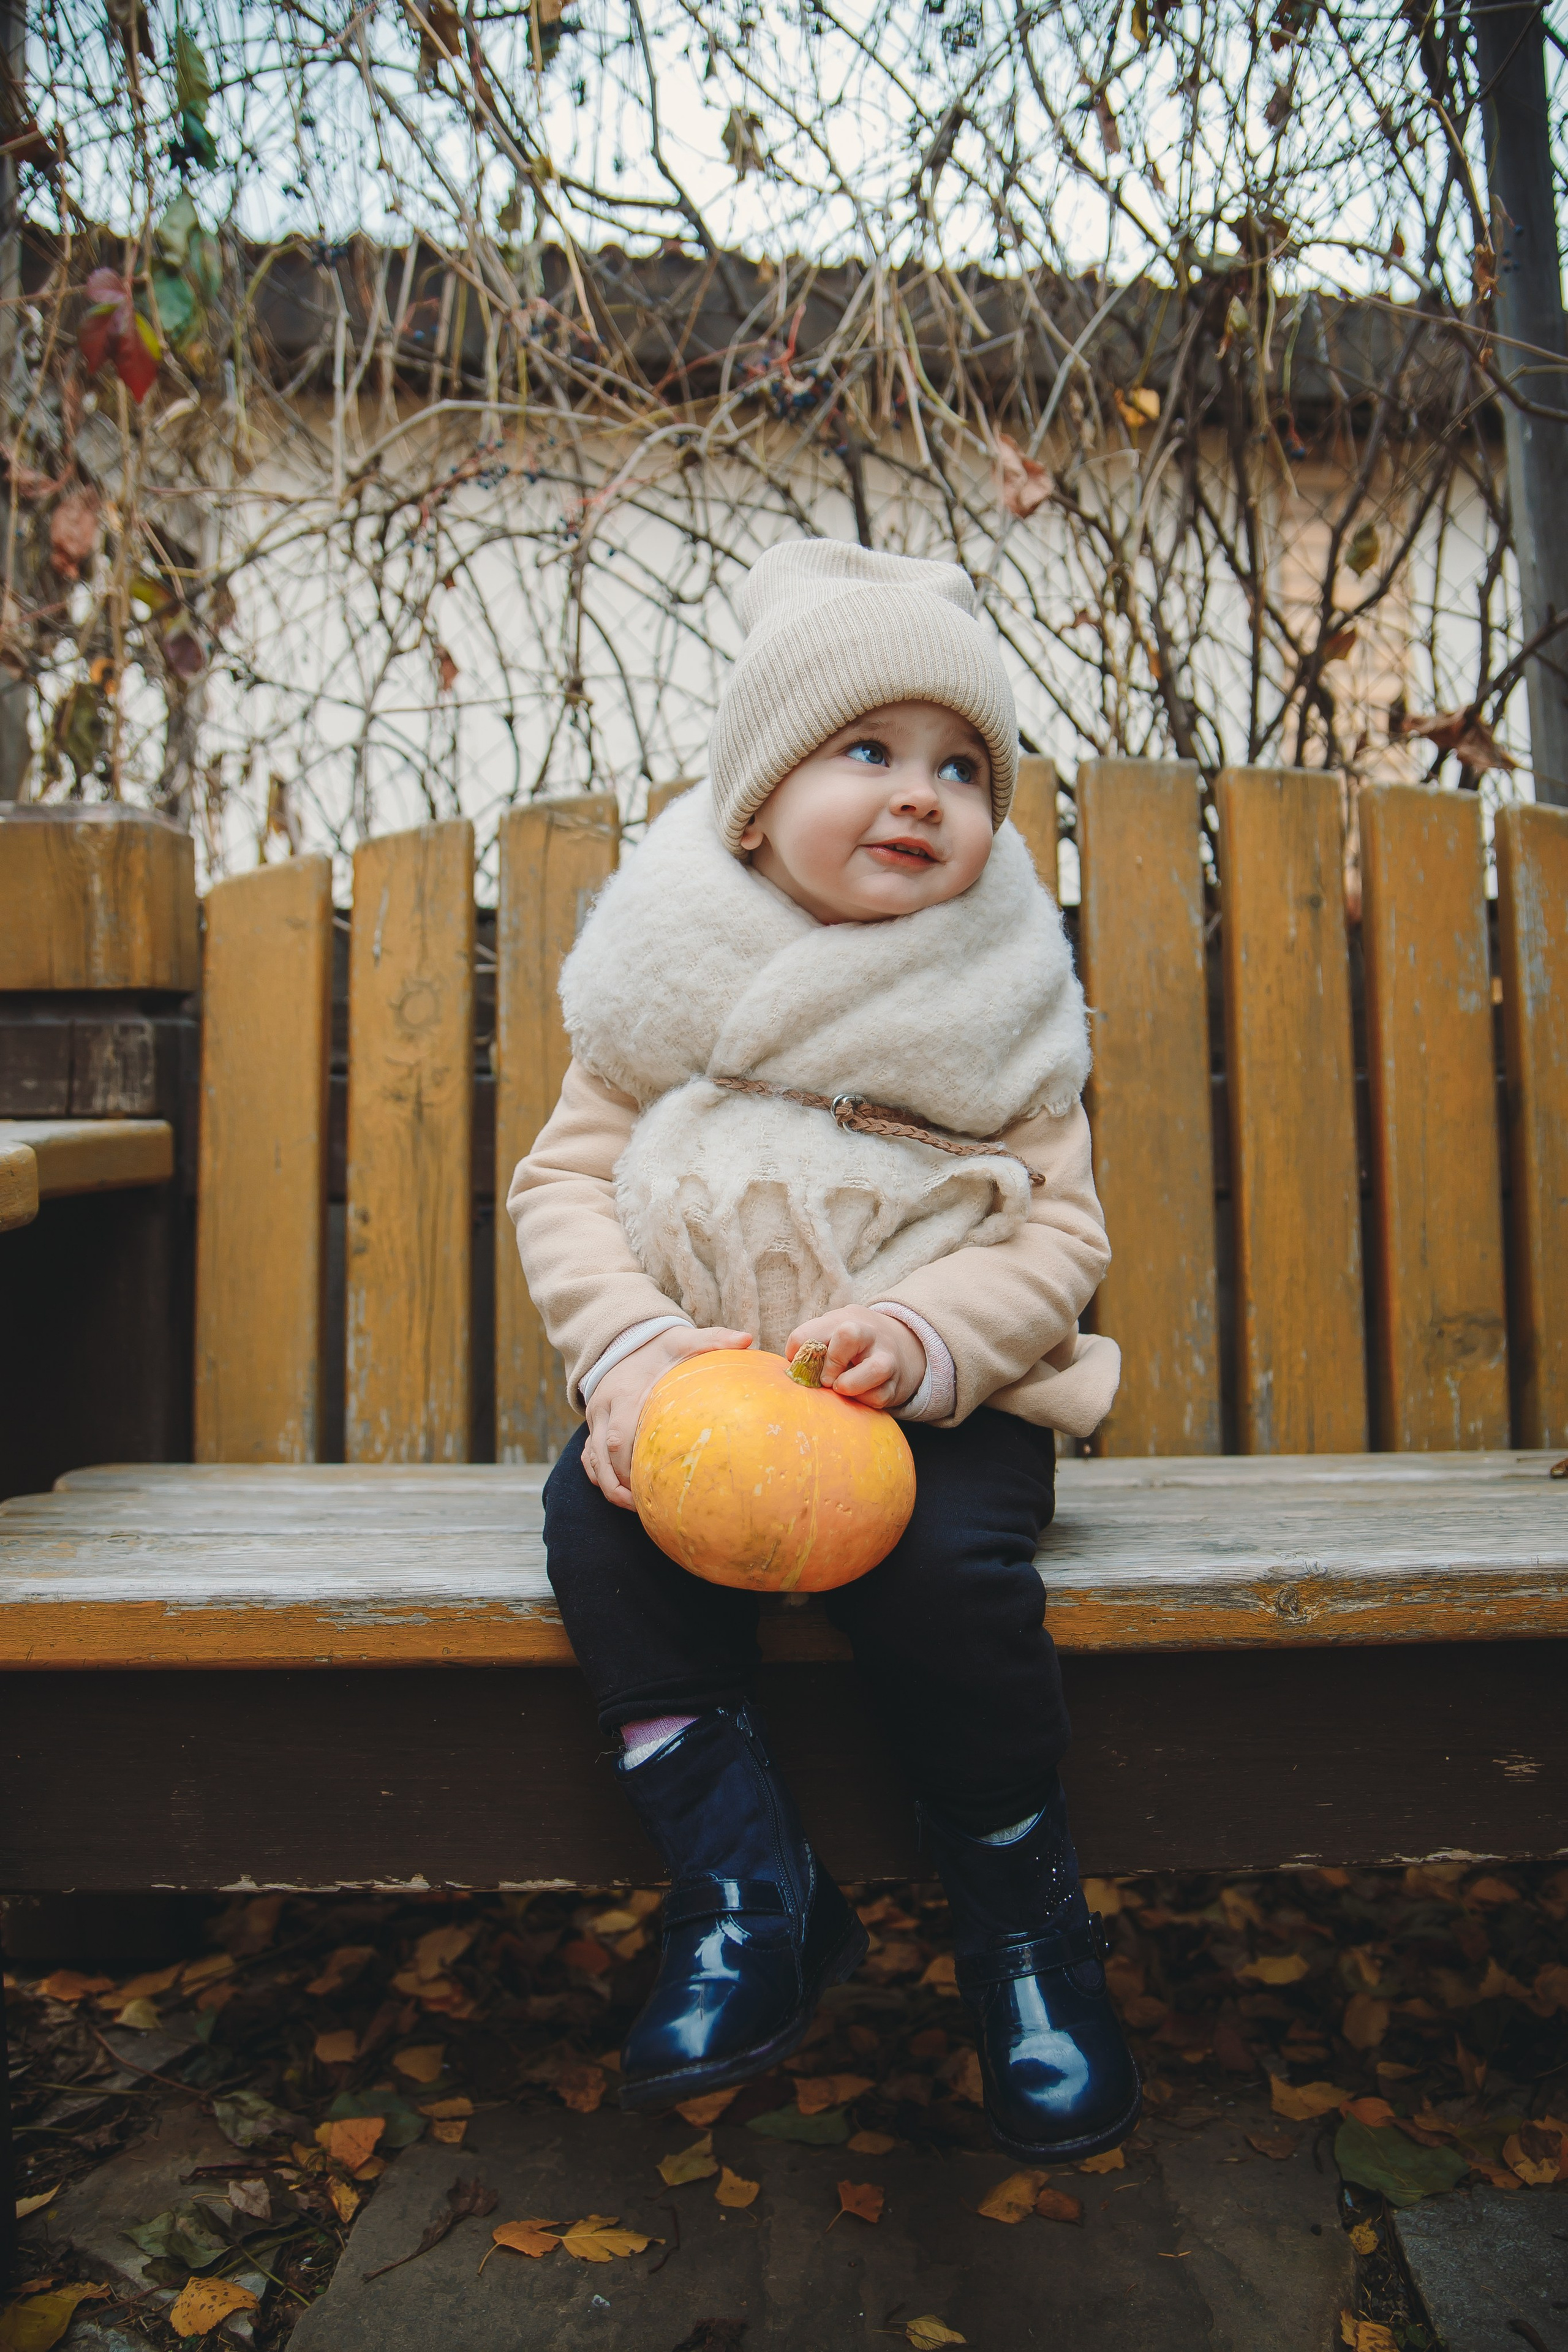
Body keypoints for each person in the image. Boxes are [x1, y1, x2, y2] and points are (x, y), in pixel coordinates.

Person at [508, 538, 1138, 2162]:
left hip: (941, 1407)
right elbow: (566, 1184)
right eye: (866, 750)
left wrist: (932, 1337)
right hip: (705, 1392)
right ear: (757, 792)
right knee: (599, 1521)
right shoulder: (664, 976)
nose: (918, 795)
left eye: (959, 767)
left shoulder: (1000, 1001)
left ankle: (1023, 1930)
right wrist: (635, 1355)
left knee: (939, 1575)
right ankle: (746, 1889)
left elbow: (1062, 1243)